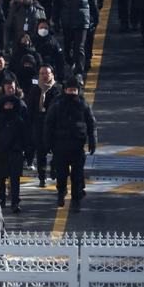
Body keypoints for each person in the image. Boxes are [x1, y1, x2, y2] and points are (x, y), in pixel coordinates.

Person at [42, 76, 96, 212]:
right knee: (61, 173)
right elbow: (49, 124)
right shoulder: (57, 103)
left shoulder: (83, 104)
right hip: (60, 145)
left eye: (74, 90)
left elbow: (91, 123)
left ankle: (76, 198)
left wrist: (93, 140)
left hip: (77, 145)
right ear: (65, 90)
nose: (72, 93)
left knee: (77, 174)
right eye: (70, 90)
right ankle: (61, 193)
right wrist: (47, 143)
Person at [0, 93, 30, 212]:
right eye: (6, 104)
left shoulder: (19, 120)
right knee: (0, 179)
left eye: (11, 104)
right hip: (0, 152)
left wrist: (27, 151)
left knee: (15, 180)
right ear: (2, 105)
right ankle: (1, 201)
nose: (9, 106)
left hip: (15, 152)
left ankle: (15, 203)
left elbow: (25, 136)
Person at [54, 0, 99, 74]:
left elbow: (93, 4)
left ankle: (79, 70)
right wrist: (56, 21)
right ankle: (71, 63)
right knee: (67, 47)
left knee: (79, 47)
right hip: (67, 21)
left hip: (82, 22)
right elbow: (56, 5)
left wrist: (95, 18)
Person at [27, 64, 62, 187]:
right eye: (42, 73)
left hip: (54, 126)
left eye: (47, 73)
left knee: (57, 152)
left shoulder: (58, 89)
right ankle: (42, 177)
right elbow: (30, 109)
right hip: (39, 125)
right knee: (41, 153)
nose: (44, 75)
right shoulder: (35, 89)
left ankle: (54, 169)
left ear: (52, 74)